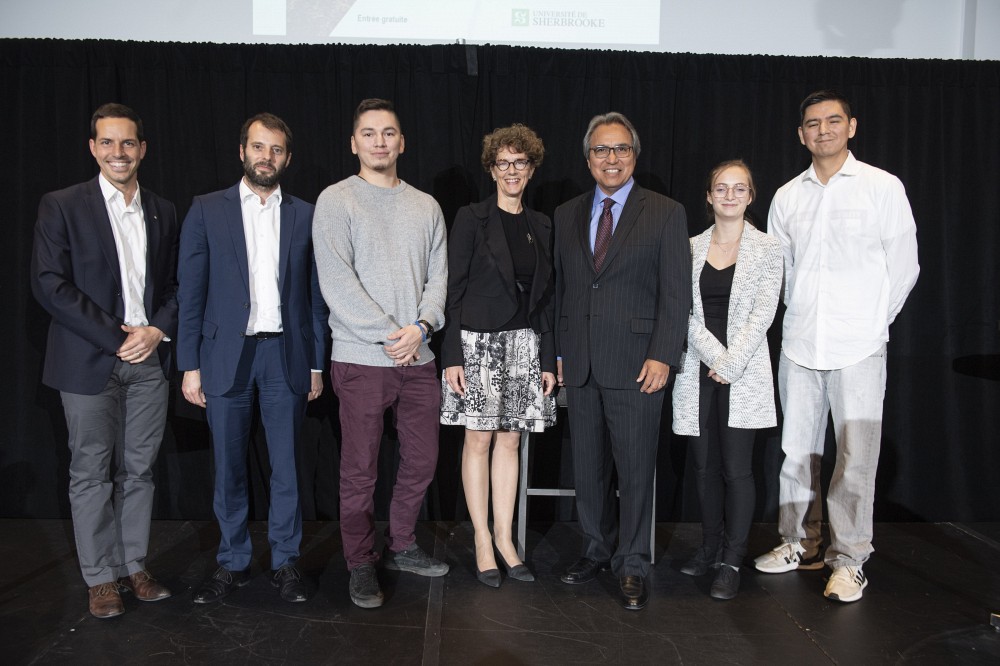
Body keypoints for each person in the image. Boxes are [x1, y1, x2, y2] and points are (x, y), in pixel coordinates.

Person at [754, 90, 919, 603]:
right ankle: (796, 543)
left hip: (859, 346)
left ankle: (848, 560)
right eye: (811, 124)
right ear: (800, 134)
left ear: (851, 126)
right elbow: (780, 273)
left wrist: (873, 323)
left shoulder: (881, 187)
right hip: (801, 342)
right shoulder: (787, 196)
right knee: (796, 453)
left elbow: (905, 265)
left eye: (832, 121)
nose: (822, 130)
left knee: (854, 457)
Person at [31, 103, 178, 618]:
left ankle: (133, 565)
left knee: (139, 471)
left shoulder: (163, 209)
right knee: (90, 471)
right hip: (88, 361)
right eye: (108, 143)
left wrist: (157, 329)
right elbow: (49, 284)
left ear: (142, 149)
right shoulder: (63, 205)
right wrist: (115, 338)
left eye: (129, 143)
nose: (120, 153)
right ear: (93, 148)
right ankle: (100, 578)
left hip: (148, 363)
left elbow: (178, 285)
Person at [177, 112, 327, 605]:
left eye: (277, 149)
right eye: (259, 147)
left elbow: (314, 296)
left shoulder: (306, 214)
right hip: (225, 358)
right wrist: (189, 364)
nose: (268, 157)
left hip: (285, 357)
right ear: (242, 152)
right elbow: (191, 293)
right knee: (229, 469)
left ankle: (285, 563)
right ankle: (232, 561)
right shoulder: (205, 210)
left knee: (286, 468)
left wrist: (316, 363)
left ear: (288, 157)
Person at [313, 98, 449, 609]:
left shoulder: (426, 206)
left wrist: (421, 326)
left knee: (422, 461)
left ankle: (403, 544)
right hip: (361, 358)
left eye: (388, 133)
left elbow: (439, 277)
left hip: (420, 359)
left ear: (401, 142)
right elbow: (337, 282)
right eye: (369, 133)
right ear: (354, 143)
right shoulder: (336, 200)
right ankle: (361, 562)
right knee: (360, 470)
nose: (379, 142)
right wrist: (393, 333)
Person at [554, 111, 692, 610]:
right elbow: (563, 292)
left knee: (635, 471)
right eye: (601, 150)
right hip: (583, 363)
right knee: (588, 469)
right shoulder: (566, 213)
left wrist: (663, 356)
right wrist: (561, 353)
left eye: (620, 150)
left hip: (638, 366)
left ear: (634, 155)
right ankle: (594, 549)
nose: (611, 159)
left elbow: (676, 296)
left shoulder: (665, 212)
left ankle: (632, 562)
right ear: (588, 157)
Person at [440, 124, 557, 588]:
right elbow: (454, 288)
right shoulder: (472, 217)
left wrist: (548, 358)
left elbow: (548, 296)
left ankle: (507, 540)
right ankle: (482, 541)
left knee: (511, 442)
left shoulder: (542, 223)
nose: (512, 171)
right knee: (479, 441)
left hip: (525, 344)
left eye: (520, 162)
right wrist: (451, 354)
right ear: (492, 169)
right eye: (504, 163)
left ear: (531, 169)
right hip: (478, 344)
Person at [671, 160, 782, 600]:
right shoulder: (690, 246)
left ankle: (732, 560)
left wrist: (731, 362)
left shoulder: (768, 248)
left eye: (739, 189)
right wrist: (715, 356)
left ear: (751, 196)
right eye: (722, 188)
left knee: (737, 471)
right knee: (703, 468)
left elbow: (764, 313)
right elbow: (682, 311)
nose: (730, 196)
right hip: (698, 369)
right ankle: (709, 548)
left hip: (745, 371)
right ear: (709, 195)